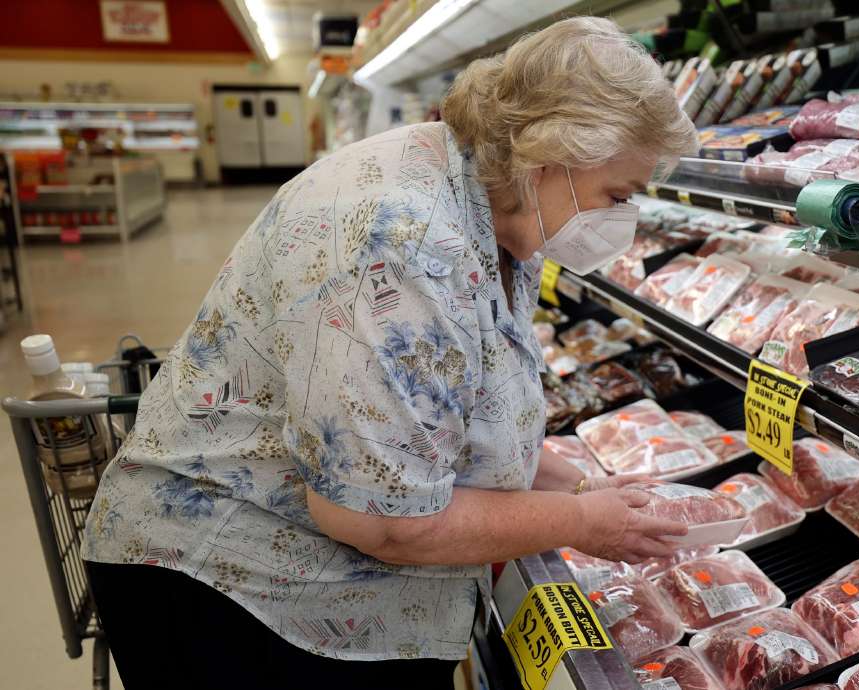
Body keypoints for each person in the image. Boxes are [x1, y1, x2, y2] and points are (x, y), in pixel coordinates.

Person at [81, 16, 697, 690]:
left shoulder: (493, 200)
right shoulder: (404, 246)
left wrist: (575, 484)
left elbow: (441, 411)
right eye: (617, 194)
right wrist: (580, 521)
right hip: (238, 593)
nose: (622, 218)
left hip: (311, 577)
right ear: (551, 158)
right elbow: (379, 517)